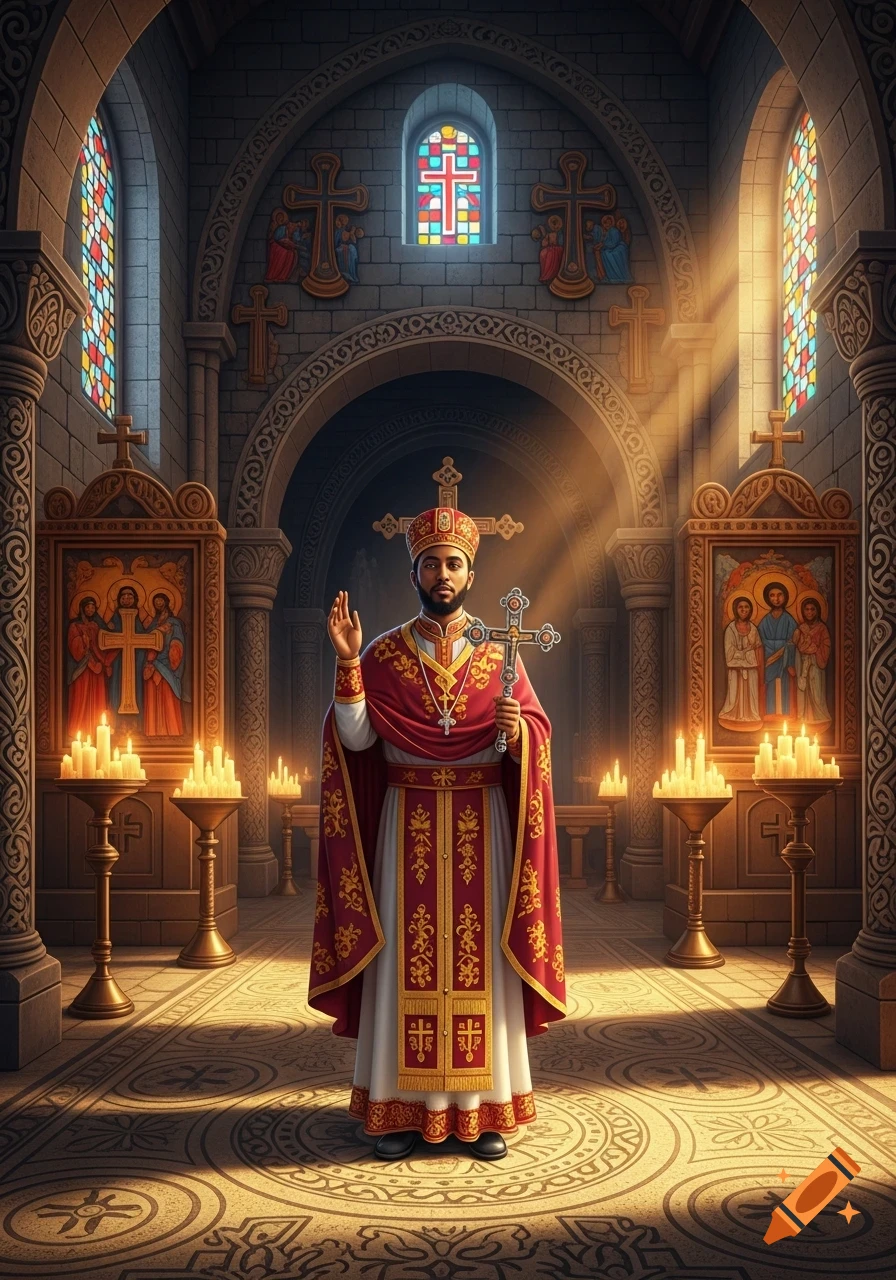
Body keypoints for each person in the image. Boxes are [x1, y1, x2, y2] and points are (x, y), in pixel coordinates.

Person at [309, 507, 565, 1163]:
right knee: (404, 963)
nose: (442, 574)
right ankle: (398, 1112)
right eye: (431, 563)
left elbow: (534, 742)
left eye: (453, 563)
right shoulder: (384, 653)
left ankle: (481, 1116)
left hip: (483, 822)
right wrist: (346, 667)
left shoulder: (501, 652)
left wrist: (515, 732)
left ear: (471, 572)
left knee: (482, 967)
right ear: (415, 571)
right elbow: (359, 740)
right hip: (407, 827)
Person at [66, 596, 113, 738]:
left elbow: (101, 646)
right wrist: (82, 641)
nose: (90, 610)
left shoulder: (95, 626)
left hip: (97, 666)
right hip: (82, 668)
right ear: (82, 609)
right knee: (82, 696)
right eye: (88, 607)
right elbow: (74, 648)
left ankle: (96, 731)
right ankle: (78, 730)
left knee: (98, 696)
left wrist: (105, 662)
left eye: (93, 608)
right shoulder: (75, 626)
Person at [142, 592, 187, 736]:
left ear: (167, 602)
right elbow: (145, 643)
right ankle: (152, 732)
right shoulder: (153, 624)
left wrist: (172, 659)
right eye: (156, 602)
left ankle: (173, 732)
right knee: (152, 699)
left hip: (166, 667)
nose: (158, 604)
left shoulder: (174, 623)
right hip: (152, 665)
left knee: (167, 697)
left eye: (161, 601)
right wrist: (149, 661)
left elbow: (177, 643)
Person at [718, 596, 763, 732]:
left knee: (751, 693)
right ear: (735, 609)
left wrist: (749, 654)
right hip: (735, 669)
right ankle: (733, 714)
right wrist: (746, 654)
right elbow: (730, 651)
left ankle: (751, 716)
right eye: (740, 607)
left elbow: (758, 649)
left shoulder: (753, 629)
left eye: (746, 607)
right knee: (735, 692)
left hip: (751, 670)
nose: (744, 610)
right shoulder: (731, 629)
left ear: (750, 610)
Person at [757, 582, 798, 721]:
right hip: (769, 663)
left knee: (785, 689)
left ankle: (785, 716)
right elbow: (760, 642)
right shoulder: (765, 621)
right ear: (768, 598)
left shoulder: (789, 620)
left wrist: (784, 652)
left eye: (779, 595)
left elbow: (793, 643)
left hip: (785, 664)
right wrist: (780, 646)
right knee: (770, 690)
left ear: (785, 597)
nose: (776, 599)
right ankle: (769, 714)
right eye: (772, 595)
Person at [794, 597, 832, 732]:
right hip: (803, 662)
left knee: (816, 690)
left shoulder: (822, 628)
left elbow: (826, 645)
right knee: (803, 690)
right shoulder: (801, 628)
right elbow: (796, 645)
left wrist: (816, 649)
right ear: (803, 611)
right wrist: (805, 645)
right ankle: (803, 717)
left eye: (812, 609)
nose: (809, 612)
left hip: (816, 663)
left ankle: (819, 716)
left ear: (817, 611)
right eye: (807, 609)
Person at [264, 208, 298, 282]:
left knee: (291, 254)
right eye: (292, 224)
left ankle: (283, 276)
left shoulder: (291, 232)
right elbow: (276, 238)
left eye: (293, 225)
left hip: (284, 246)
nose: (292, 226)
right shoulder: (281, 228)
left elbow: (292, 241)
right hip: (276, 246)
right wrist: (284, 242)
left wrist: (288, 243)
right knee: (283, 253)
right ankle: (273, 275)